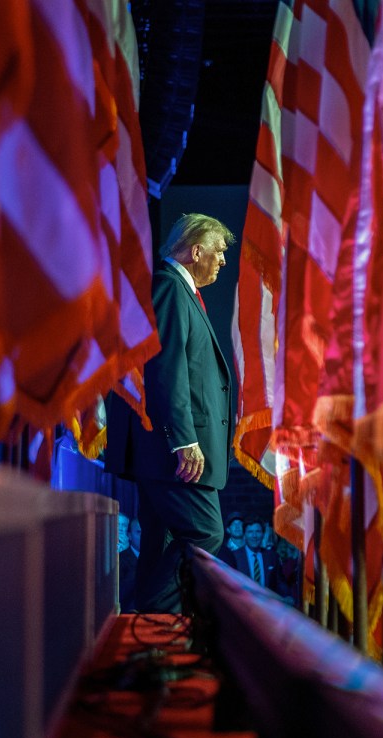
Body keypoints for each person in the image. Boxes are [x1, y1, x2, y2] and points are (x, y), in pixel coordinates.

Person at [104, 213, 237, 612]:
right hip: (174, 453)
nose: (223, 261)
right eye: (219, 252)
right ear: (196, 250)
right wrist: (184, 439)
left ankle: (149, 633)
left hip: (167, 454)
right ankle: (153, 615)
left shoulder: (182, 292)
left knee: (159, 541)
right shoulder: (168, 287)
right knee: (206, 533)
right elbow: (165, 368)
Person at [232, 519, 279, 592]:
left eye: (258, 531)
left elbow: (280, 583)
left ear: (263, 534)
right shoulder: (234, 557)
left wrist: (287, 597)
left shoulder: (272, 556)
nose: (254, 536)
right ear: (244, 535)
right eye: (250, 532)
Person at [119, 518, 141, 611]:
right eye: (138, 532)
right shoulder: (120, 559)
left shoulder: (155, 558)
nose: (143, 536)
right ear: (129, 536)